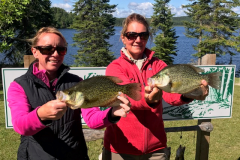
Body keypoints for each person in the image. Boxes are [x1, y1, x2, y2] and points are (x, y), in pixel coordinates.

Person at [7, 27, 131, 160]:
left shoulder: (76, 82)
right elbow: (20, 125)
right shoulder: (19, 86)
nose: (55, 54)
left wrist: (111, 114)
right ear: (35, 52)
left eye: (61, 49)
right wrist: (40, 115)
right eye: (47, 49)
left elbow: (91, 119)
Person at [100, 13, 209, 160]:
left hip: (156, 150)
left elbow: (171, 94)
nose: (138, 40)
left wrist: (189, 93)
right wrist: (149, 100)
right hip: (120, 149)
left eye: (143, 35)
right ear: (123, 37)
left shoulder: (159, 65)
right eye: (132, 35)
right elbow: (127, 97)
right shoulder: (115, 67)